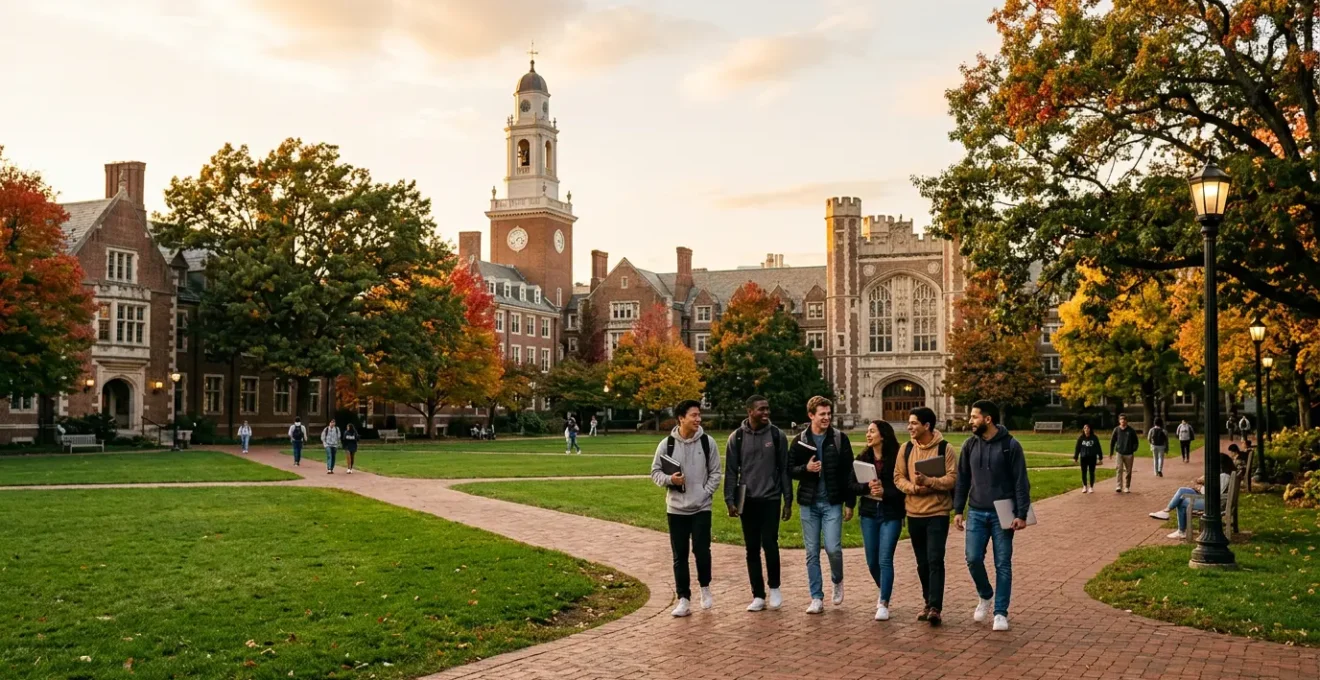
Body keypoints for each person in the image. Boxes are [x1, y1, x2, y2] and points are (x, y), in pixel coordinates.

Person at [953, 401, 1030, 632]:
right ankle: (985, 594)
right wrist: (958, 509)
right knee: (973, 558)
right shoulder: (969, 445)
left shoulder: (1010, 445)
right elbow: (963, 479)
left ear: (988, 419)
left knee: (1002, 563)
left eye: (974, 417)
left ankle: (1000, 612)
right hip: (976, 510)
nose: (970, 421)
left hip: (1003, 512)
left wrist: (1022, 514)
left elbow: (1021, 481)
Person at [649, 399, 722, 617]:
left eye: (699, 415)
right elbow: (655, 473)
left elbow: (716, 473)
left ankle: (705, 588)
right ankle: (683, 598)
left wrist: (704, 493)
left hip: (701, 508)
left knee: (702, 551)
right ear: (681, 418)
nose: (698, 419)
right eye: (694, 415)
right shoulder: (666, 445)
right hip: (676, 509)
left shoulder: (707, 443)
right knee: (679, 555)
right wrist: (671, 479)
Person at [723, 395, 791, 612]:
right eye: (761, 409)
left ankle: (775, 588)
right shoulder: (737, 438)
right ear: (749, 411)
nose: (766, 413)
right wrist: (729, 500)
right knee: (751, 549)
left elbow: (784, 470)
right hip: (748, 500)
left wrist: (787, 500)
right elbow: (731, 471)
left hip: (771, 499)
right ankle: (758, 595)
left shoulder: (776, 435)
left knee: (770, 544)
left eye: (767, 409)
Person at [789, 396, 855, 615]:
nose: (827, 418)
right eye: (822, 414)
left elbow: (849, 472)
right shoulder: (799, 440)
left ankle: (837, 579)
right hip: (809, 504)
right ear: (811, 416)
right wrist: (805, 469)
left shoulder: (839, 438)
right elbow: (789, 469)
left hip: (832, 503)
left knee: (833, 548)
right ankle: (816, 597)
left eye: (829, 414)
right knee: (811, 552)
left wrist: (850, 503)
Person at [893, 406, 957, 626]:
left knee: (935, 559)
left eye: (913, 423)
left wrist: (930, 482)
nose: (909, 427)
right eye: (909, 423)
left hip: (938, 512)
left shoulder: (945, 448)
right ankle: (927, 602)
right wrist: (913, 488)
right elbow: (898, 477)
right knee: (922, 563)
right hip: (914, 512)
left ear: (926, 426)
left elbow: (952, 479)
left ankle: (936, 607)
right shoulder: (906, 449)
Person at [849, 419, 905, 621]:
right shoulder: (863, 458)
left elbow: (903, 487)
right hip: (869, 514)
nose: (868, 434)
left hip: (891, 513)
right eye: (867, 431)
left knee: (884, 558)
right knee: (872, 561)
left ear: (883, 435)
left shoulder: (898, 458)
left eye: (872, 431)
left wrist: (884, 492)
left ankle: (883, 602)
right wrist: (867, 488)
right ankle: (885, 588)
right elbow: (851, 485)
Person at [1148, 455, 1235, 539]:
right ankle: (1166, 511)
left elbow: (1216, 493)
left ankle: (1181, 531)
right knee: (1182, 490)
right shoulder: (1222, 475)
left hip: (1213, 503)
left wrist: (1201, 488)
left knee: (1181, 502)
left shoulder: (1224, 476)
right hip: (1211, 499)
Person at [1110, 414, 1139, 493]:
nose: (1122, 421)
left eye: (1124, 419)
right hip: (1119, 452)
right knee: (1119, 469)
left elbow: (1136, 442)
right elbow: (1112, 441)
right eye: (1121, 419)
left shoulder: (1131, 431)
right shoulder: (1116, 430)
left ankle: (1127, 486)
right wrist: (1111, 452)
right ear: (1119, 421)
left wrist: (1133, 449)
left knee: (1128, 471)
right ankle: (1118, 486)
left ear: (1126, 421)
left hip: (1129, 453)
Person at [1074, 422, 1102, 493]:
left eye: (1087, 428)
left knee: (1091, 472)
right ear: (1083, 429)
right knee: (1084, 472)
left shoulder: (1094, 438)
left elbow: (1098, 447)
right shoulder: (1081, 438)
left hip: (1092, 457)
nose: (1086, 429)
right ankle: (1084, 486)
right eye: (1085, 428)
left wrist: (1100, 457)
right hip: (1083, 457)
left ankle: (1091, 487)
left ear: (1090, 429)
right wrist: (1076, 457)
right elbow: (1077, 448)